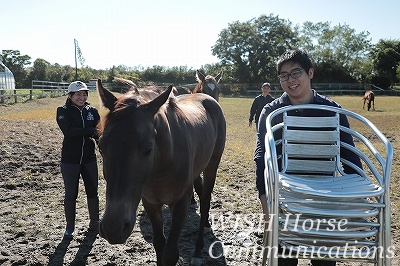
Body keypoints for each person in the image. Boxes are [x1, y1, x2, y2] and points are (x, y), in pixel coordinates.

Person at [253, 49, 363, 266]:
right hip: (285, 200)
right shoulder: (271, 112)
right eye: (284, 76)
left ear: (310, 72)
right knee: (284, 261)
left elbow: (350, 157)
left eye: (296, 73)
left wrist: (356, 203)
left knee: (324, 262)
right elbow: (262, 159)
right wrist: (267, 208)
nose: (290, 80)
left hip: (323, 199)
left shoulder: (331, 109)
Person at [56, 81, 101, 239]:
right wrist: (90, 130)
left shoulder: (92, 111)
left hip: (89, 159)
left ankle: (95, 224)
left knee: (93, 192)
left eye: (84, 94)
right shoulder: (63, 110)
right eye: (78, 94)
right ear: (70, 95)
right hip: (70, 160)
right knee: (71, 194)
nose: (82, 97)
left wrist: (100, 139)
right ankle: (70, 227)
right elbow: (69, 132)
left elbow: (98, 132)